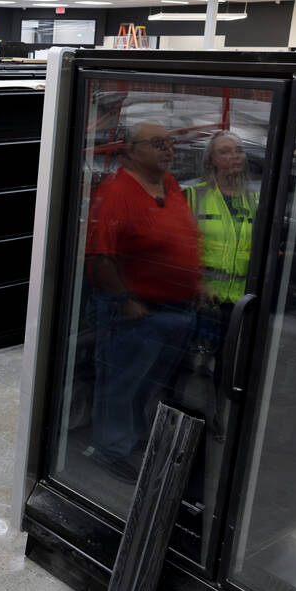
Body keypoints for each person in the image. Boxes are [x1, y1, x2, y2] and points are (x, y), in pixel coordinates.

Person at [84, 121, 203, 481]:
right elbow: (99, 257)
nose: (168, 149)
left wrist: (196, 280)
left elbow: (180, 236)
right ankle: (109, 449)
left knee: (146, 382)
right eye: (157, 143)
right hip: (136, 311)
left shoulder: (168, 184)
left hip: (172, 309)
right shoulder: (116, 192)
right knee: (122, 383)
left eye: (170, 143)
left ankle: (128, 437)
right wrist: (125, 301)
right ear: (131, 150)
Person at [185, 131, 256, 306]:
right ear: (211, 160)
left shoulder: (255, 200)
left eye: (239, 151)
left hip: (242, 301)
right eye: (225, 152)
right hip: (203, 300)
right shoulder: (194, 196)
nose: (234, 156)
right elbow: (180, 247)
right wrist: (199, 283)